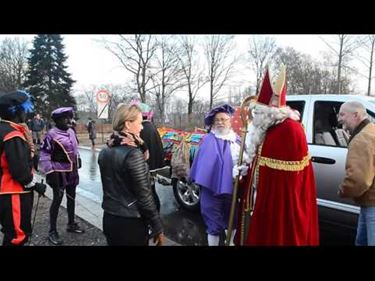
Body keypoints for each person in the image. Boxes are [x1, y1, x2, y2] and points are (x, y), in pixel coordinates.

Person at [236, 65, 319, 246]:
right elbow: (262, 162)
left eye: (259, 111)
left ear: (271, 108)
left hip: (279, 208)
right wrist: (247, 171)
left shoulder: (290, 129)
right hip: (261, 200)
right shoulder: (267, 127)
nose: (255, 116)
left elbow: (287, 182)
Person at [98, 103, 164, 246]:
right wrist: (157, 226)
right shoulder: (134, 153)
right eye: (140, 123)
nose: (142, 127)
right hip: (130, 224)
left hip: (109, 218)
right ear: (128, 124)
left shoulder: (105, 151)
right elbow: (145, 196)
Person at [189, 104, 249, 246]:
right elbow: (205, 166)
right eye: (217, 120)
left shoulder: (238, 140)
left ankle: (231, 242)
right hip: (212, 190)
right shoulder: (209, 140)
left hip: (233, 189)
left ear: (230, 121)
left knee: (232, 219)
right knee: (213, 223)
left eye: (223, 119)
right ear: (213, 123)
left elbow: (246, 159)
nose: (220, 122)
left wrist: (244, 168)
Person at [0, 90, 46, 246]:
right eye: (24, 110)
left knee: (11, 232)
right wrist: (36, 184)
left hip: (5, 192)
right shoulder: (12, 135)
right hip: (13, 191)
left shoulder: (4, 129)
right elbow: (19, 171)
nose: (27, 114)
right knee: (17, 236)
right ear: (17, 112)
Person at [39, 107, 83, 246]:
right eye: (66, 119)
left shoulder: (71, 131)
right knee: (57, 200)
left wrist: (78, 158)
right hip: (58, 172)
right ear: (57, 121)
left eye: (70, 118)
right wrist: (50, 172)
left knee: (72, 197)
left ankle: (71, 224)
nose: (69, 121)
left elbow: (75, 148)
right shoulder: (51, 134)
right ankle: (52, 231)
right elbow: (44, 155)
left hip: (72, 171)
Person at [337, 101, 375, 246]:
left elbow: (359, 180)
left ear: (356, 115)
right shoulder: (371, 129)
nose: (339, 119)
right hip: (368, 202)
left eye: (342, 114)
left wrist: (343, 190)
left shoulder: (361, 139)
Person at [131, 101, 165, 212]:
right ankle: (156, 216)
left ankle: (153, 218)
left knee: (148, 194)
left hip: (145, 167)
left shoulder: (142, 129)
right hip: (153, 166)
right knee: (151, 191)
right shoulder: (152, 127)